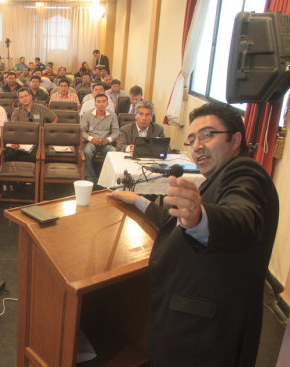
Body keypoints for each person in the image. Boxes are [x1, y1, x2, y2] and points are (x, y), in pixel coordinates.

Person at [107, 102, 279, 366]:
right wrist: (138, 200)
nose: (197, 145)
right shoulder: (219, 175)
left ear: (235, 139)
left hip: (207, 331)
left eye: (208, 135)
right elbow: (178, 216)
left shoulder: (246, 173)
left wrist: (201, 219)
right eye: (192, 139)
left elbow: (243, 219)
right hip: (192, 321)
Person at [80, 93, 118, 182]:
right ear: (95, 104)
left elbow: (116, 131)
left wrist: (108, 140)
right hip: (92, 142)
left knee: (113, 152)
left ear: (107, 104)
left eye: (104, 101)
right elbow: (82, 131)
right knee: (86, 152)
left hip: (105, 142)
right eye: (99, 102)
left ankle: (107, 177)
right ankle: (90, 177)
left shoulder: (112, 115)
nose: (101, 104)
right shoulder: (88, 114)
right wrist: (91, 139)